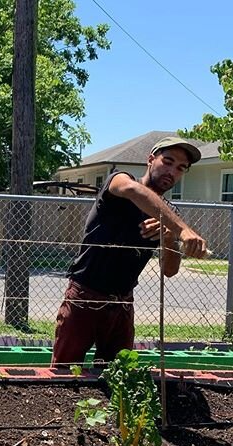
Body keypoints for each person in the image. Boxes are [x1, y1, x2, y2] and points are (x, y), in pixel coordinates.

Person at [51, 136, 208, 366]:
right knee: (64, 372)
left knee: (119, 379)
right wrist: (183, 230)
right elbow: (134, 191)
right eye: (168, 161)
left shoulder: (169, 213)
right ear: (150, 159)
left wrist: (169, 238)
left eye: (180, 168)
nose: (172, 171)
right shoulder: (120, 182)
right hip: (85, 296)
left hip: (122, 304)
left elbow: (170, 271)